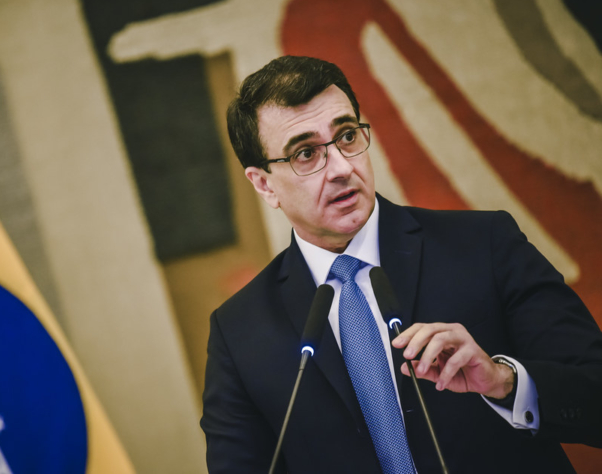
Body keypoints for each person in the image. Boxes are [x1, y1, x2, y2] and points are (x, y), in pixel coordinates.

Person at [200, 56, 602, 473]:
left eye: (347, 136)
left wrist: (503, 381)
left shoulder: (484, 245)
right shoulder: (239, 332)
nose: (341, 168)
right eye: (305, 153)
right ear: (264, 184)